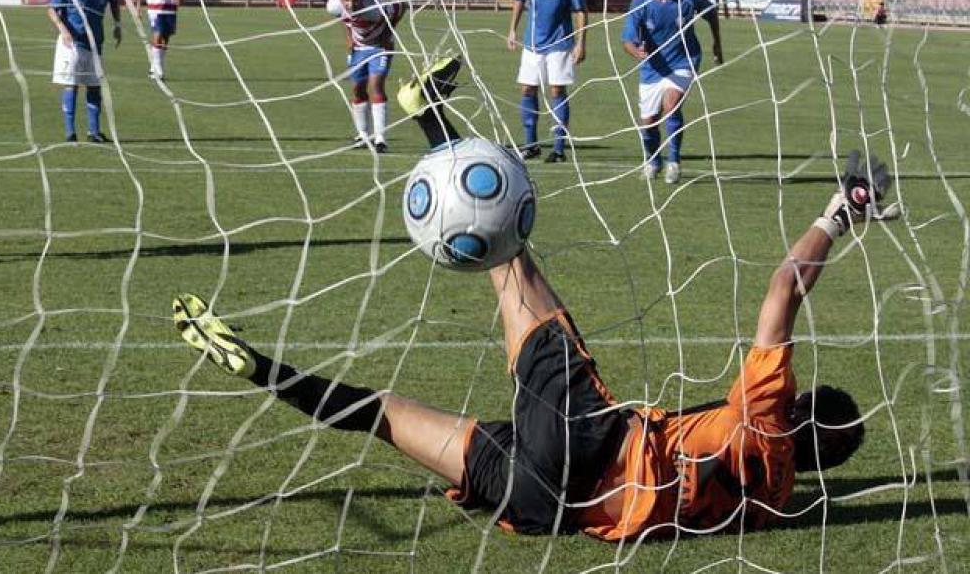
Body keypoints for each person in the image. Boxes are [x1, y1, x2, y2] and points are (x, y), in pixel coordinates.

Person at [174, 152, 885, 539]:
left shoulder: (765, 420)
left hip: (592, 441)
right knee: (381, 414)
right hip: (545, 506)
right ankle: (258, 367)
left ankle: (439, 131)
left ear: (796, 412)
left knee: (513, 262)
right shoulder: (778, 497)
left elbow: (782, 294)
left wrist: (839, 213)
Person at [621, 0, 723, 184]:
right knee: (648, 123)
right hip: (652, 68)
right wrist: (636, 51)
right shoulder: (640, 2)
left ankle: (674, 162)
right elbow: (627, 39)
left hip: (683, 62)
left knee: (671, 104)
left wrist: (716, 43)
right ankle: (653, 161)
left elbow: (712, 12)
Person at [507, 0, 587, 163]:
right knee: (527, 90)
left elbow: (580, 10)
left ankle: (559, 148)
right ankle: (531, 145)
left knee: (556, 91)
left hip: (559, 43)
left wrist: (581, 43)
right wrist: (512, 29)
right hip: (532, 43)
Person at [47, 0, 122, 144]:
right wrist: (63, 30)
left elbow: (114, 1)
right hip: (71, 42)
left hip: (95, 41)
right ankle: (70, 133)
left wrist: (117, 24)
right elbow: (52, 9)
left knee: (94, 86)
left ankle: (93, 132)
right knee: (72, 84)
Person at [324, 0, 406, 152]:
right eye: (346, 0)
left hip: (379, 48)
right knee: (357, 89)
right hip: (359, 50)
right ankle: (362, 135)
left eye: (354, 0)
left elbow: (401, 6)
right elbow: (344, 19)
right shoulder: (333, 6)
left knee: (376, 86)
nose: (350, 4)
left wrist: (388, 34)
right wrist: (349, 39)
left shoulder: (376, 8)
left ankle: (380, 139)